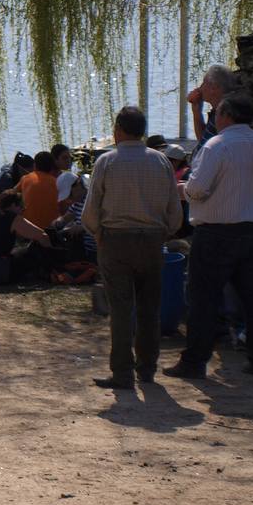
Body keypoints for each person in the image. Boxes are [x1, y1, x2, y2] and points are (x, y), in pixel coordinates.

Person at [165, 93, 253, 379]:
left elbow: (197, 190)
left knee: (203, 298)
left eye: (217, 113)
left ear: (226, 115)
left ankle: (195, 360)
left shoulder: (217, 146)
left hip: (217, 232)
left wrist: (182, 188)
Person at [81, 106, 182, 389]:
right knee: (150, 308)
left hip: (116, 240)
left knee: (121, 309)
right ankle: (147, 368)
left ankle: (122, 372)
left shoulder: (107, 162)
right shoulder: (161, 161)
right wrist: (163, 233)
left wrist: (98, 234)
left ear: (118, 130)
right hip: (152, 240)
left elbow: (90, 211)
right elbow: (175, 212)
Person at [187, 64, 237, 148]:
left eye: (204, 83)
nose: (200, 88)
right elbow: (203, 140)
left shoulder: (225, 115)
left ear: (213, 88)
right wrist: (196, 111)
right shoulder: (216, 111)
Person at [18, 151, 60, 229]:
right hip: (51, 228)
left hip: (28, 226)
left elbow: (10, 193)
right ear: (52, 166)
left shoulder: (25, 178)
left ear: (35, 165)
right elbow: (64, 207)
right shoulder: (57, 182)